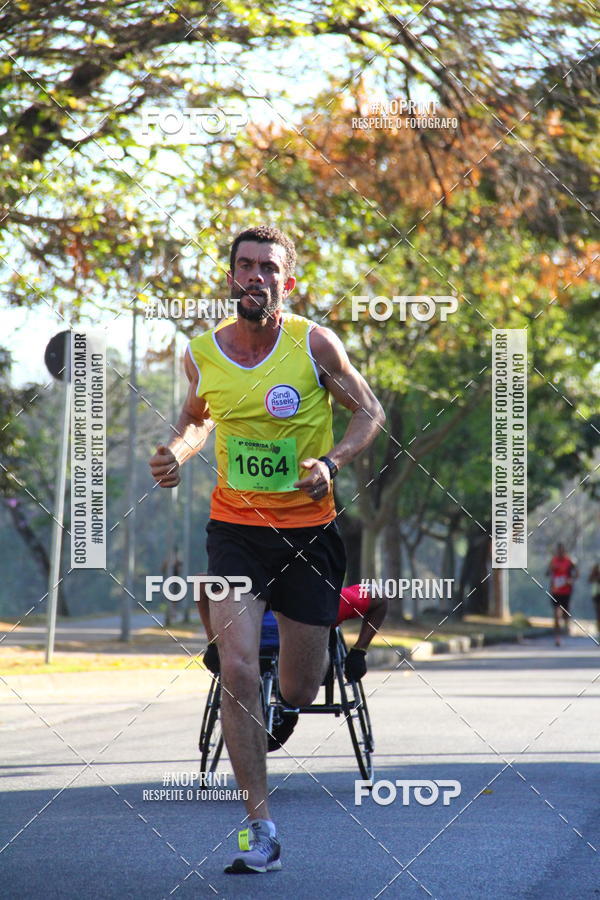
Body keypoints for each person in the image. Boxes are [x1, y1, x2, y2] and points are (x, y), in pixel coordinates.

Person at [149, 225, 385, 874]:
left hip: (309, 534)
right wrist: (176, 453)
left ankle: (278, 709)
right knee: (239, 671)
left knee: (302, 689)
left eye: (269, 268)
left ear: (288, 281)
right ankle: (261, 828)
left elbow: (370, 412)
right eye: (246, 266)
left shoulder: (313, 344)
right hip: (236, 533)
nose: (257, 276)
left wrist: (333, 463)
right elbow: (197, 419)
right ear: (231, 277)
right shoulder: (201, 354)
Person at [546, 543, 578, 646]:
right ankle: (557, 638)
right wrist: (551, 569)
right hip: (555, 591)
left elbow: (577, 573)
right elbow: (547, 573)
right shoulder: (553, 561)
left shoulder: (569, 561)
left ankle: (566, 627)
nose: (559, 553)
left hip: (566, 592)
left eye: (561, 551)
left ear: (564, 551)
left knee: (565, 614)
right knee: (556, 614)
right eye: (558, 551)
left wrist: (571, 580)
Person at [588, 562, 600, 638]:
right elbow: (589, 580)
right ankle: (599, 632)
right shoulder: (596, 569)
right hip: (596, 595)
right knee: (598, 614)